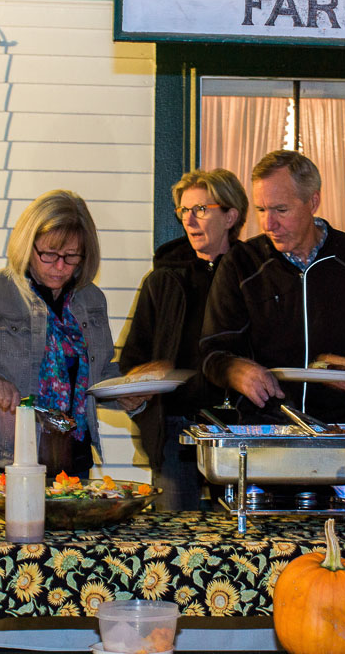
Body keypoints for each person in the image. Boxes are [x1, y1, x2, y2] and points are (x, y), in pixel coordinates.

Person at [0, 190, 127, 474]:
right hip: (7, 462)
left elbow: (97, 378)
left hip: (74, 462)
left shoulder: (92, 300)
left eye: (71, 257)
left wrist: (129, 393)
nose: (60, 266)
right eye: (49, 254)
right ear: (27, 246)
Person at [201, 150, 345, 425]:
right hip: (264, 429)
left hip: (344, 428)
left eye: (281, 210)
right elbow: (212, 352)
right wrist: (234, 370)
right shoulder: (242, 263)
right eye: (261, 210)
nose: (268, 224)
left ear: (313, 202)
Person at [119, 168, 250, 510]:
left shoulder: (255, 277)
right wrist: (143, 379)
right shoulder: (163, 280)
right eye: (184, 210)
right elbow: (133, 361)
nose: (189, 220)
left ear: (230, 216)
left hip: (240, 432)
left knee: (242, 533)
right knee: (173, 533)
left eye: (200, 209)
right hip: (176, 432)